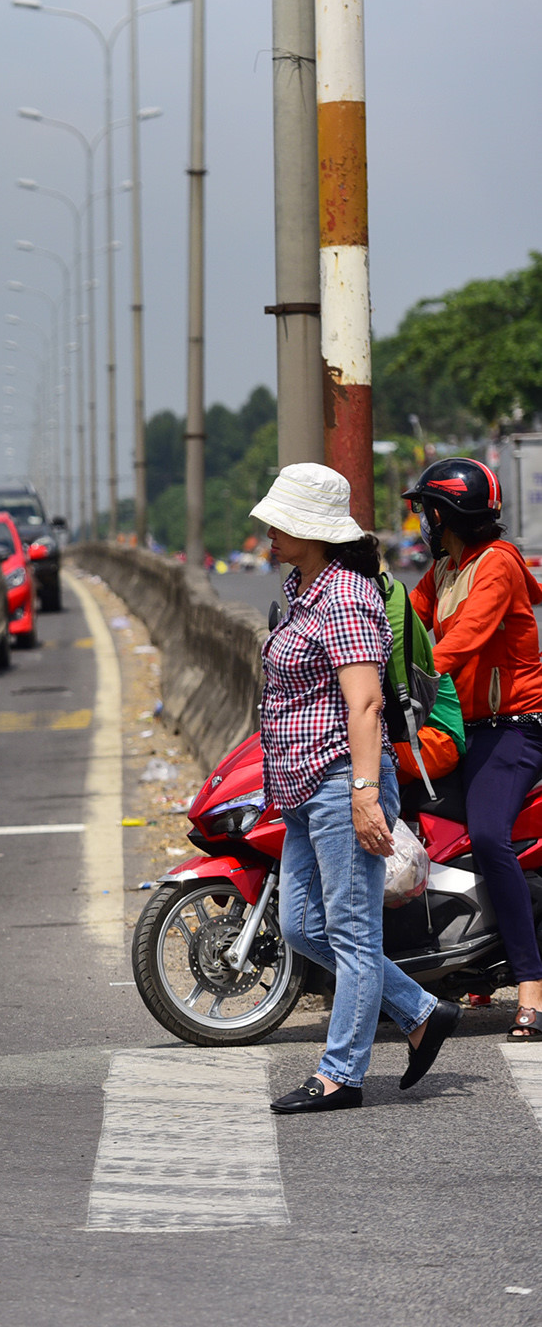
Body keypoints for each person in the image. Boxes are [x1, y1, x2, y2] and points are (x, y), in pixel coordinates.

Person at [252, 464, 461, 1114]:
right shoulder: (301, 588)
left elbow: (365, 704)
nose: (268, 530)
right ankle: (421, 1011)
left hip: (343, 784)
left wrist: (365, 795)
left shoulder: (345, 596)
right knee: (302, 926)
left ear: (315, 531)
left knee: (351, 935)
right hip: (302, 787)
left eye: (281, 521)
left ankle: (341, 1074)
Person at [403, 458, 542, 1040]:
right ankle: (448, 958)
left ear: (446, 515)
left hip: (514, 728)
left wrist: (412, 675)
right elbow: (404, 622)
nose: (422, 523)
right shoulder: (445, 569)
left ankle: (531, 985)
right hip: (464, 726)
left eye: (426, 511)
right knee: (397, 799)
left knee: (486, 836)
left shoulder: (498, 564)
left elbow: (464, 639)